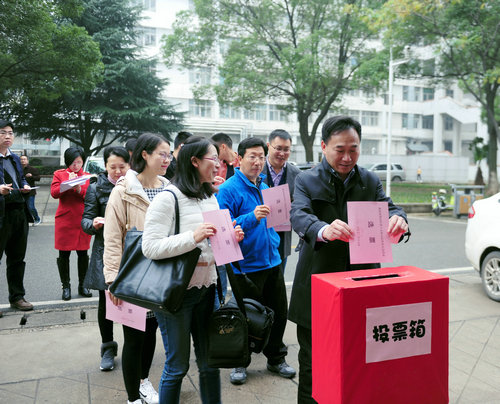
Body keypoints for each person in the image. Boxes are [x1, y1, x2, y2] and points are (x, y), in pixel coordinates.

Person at [289, 115, 409, 403]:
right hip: (318, 286)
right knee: (313, 365)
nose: (347, 157)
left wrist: (399, 219)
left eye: (353, 149)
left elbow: (390, 207)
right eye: (339, 149)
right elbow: (299, 215)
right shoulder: (306, 180)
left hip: (361, 287)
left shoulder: (368, 180)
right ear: (323, 147)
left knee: (358, 360)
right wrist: (323, 229)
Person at [142, 136, 244, 404]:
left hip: (207, 290)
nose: (219, 165)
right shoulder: (168, 198)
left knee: (210, 363)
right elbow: (149, 247)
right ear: (195, 161)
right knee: (177, 366)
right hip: (177, 293)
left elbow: (211, 244)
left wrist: (230, 238)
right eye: (213, 159)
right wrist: (193, 237)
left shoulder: (210, 196)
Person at [217, 137, 296, 386]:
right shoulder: (228, 189)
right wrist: (251, 217)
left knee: (278, 313)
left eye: (261, 157)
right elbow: (222, 228)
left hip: (272, 261)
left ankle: (276, 358)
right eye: (252, 156)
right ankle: (240, 361)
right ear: (239, 159)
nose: (258, 162)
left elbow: (276, 221)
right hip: (245, 266)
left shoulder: (264, 185)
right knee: (245, 317)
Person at [104, 133, 171, 404]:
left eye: (169, 155)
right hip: (132, 276)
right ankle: (133, 398)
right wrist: (112, 280)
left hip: (161, 275)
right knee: (133, 338)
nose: (167, 159)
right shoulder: (123, 191)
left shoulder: (169, 188)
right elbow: (112, 239)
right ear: (145, 155)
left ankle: (144, 382)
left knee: (151, 332)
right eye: (162, 154)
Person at [81, 146, 130, 371]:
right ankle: (108, 347)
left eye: (122, 166)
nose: (118, 172)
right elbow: (85, 220)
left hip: (131, 250)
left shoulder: (134, 185)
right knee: (106, 301)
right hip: (105, 251)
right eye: (113, 167)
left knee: (134, 301)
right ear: (106, 166)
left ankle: (133, 347)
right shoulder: (95, 188)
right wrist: (93, 224)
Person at [0, 119, 34, 317]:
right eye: (3, 132)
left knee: (17, 258)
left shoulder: (14, 158)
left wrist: (25, 186)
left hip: (19, 212)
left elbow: (20, 178)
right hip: (1, 213)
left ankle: (17, 297)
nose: (7, 136)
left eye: (10, 133)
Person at [50, 147, 92, 301]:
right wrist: (67, 184)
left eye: (79, 162)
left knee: (83, 253)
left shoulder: (86, 176)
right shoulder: (59, 174)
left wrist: (79, 189)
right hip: (65, 219)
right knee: (64, 254)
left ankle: (83, 285)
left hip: (82, 219)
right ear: (68, 162)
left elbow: (90, 196)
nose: (76, 165)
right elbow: (54, 193)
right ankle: (66, 287)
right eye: (73, 163)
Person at [262, 129, 300, 273]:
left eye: (286, 149)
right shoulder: (256, 170)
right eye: (278, 148)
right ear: (268, 146)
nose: (282, 153)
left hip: (283, 238)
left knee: (278, 278)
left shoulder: (297, 175)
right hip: (259, 235)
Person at [20, 155, 42, 226]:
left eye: (24, 159)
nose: (23, 161)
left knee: (31, 207)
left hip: (30, 192)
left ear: (27, 161)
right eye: (21, 159)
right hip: (21, 191)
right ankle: (25, 220)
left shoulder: (32, 169)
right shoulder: (18, 169)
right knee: (23, 207)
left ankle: (37, 219)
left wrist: (31, 176)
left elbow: (38, 178)